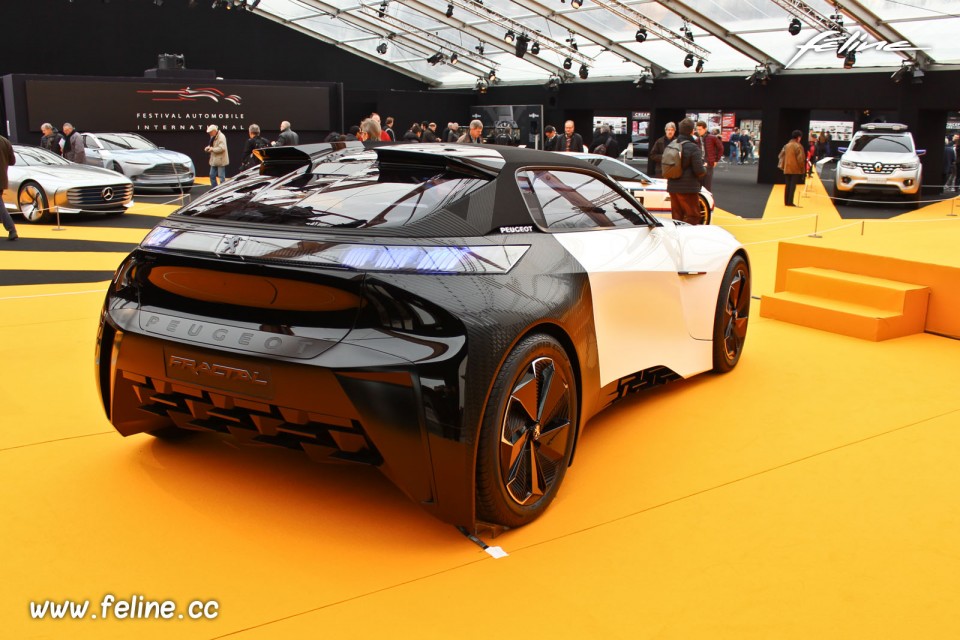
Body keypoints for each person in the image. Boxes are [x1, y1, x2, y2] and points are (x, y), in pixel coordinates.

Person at [666, 118, 706, 225]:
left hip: (672, 186)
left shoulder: (672, 144)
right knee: (693, 216)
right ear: (692, 131)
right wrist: (704, 169)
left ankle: (677, 238)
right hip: (688, 188)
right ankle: (687, 239)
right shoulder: (693, 147)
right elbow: (699, 170)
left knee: (677, 216)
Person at [780, 129, 806, 207]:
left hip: (787, 167)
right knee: (792, 185)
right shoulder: (798, 146)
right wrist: (803, 169)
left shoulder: (787, 145)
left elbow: (780, 156)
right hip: (795, 168)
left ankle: (786, 202)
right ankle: (790, 201)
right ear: (798, 137)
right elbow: (800, 159)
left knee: (787, 184)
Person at [696, 121, 723, 191]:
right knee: (699, 185)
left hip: (709, 163)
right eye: (697, 129)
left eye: (700, 129)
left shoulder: (712, 138)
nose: (698, 131)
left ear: (705, 129)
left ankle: (708, 200)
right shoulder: (697, 139)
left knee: (707, 186)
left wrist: (716, 160)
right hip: (700, 163)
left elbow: (721, 148)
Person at [1, 134, 17, 241]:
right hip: (2, 178)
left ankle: (11, 229)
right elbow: (12, 161)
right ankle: (11, 229)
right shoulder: (5, 141)